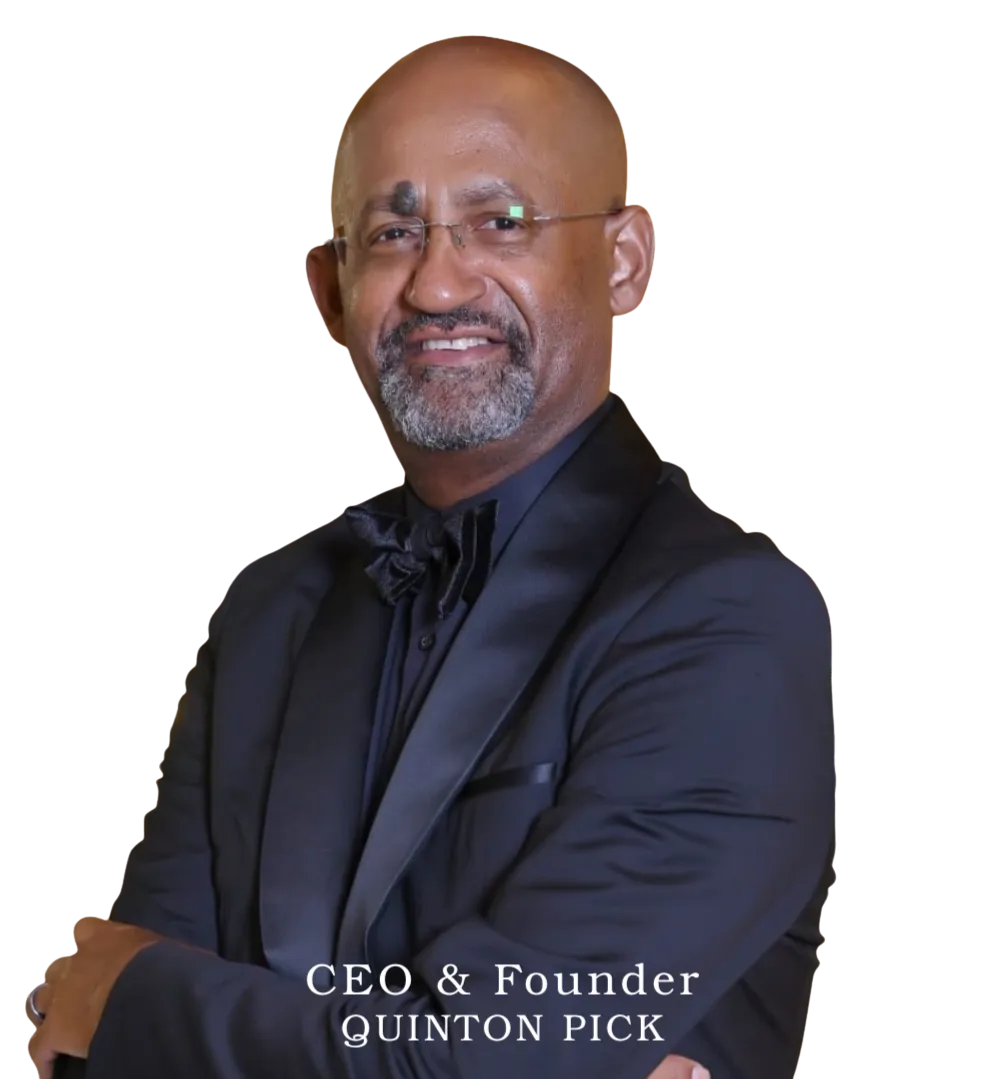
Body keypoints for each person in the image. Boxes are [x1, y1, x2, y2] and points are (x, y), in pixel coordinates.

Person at [25, 34, 834, 1079]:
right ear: (329, 289)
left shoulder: (729, 618)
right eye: (393, 233)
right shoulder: (270, 608)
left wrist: (135, 1002)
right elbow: (90, 1058)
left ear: (625, 261)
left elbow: (474, 1064)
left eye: (502, 222)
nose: (438, 284)